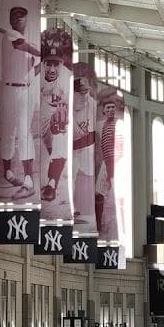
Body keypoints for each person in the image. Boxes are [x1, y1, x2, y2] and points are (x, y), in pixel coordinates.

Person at [0, 4, 40, 200]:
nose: (19, 20)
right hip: (8, 89)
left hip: (24, 89)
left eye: (22, 17)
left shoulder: (24, 41)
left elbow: (34, 68)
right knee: (8, 132)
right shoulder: (11, 36)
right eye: (16, 17)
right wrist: (43, 53)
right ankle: (8, 173)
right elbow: (28, 47)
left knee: (24, 133)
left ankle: (29, 179)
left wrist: (42, 62)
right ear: (11, 20)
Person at [39, 29, 72, 211]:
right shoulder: (36, 74)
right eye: (48, 64)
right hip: (42, 113)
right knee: (48, 146)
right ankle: (55, 168)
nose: (52, 68)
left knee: (60, 135)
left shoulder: (67, 77)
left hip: (59, 112)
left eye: (56, 64)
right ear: (44, 63)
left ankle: (52, 185)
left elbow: (70, 104)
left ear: (61, 64)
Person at [72, 65, 98, 235]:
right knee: (71, 177)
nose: (84, 94)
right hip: (71, 149)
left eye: (86, 91)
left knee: (90, 180)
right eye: (80, 91)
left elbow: (96, 131)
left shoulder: (92, 104)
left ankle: (85, 211)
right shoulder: (69, 102)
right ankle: (72, 210)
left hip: (86, 148)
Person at [95, 87, 121, 239]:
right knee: (99, 192)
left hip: (114, 162)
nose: (111, 110)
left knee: (110, 194)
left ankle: (106, 225)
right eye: (108, 108)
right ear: (104, 110)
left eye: (113, 108)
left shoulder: (118, 124)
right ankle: (99, 222)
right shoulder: (101, 124)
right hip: (106, 162)